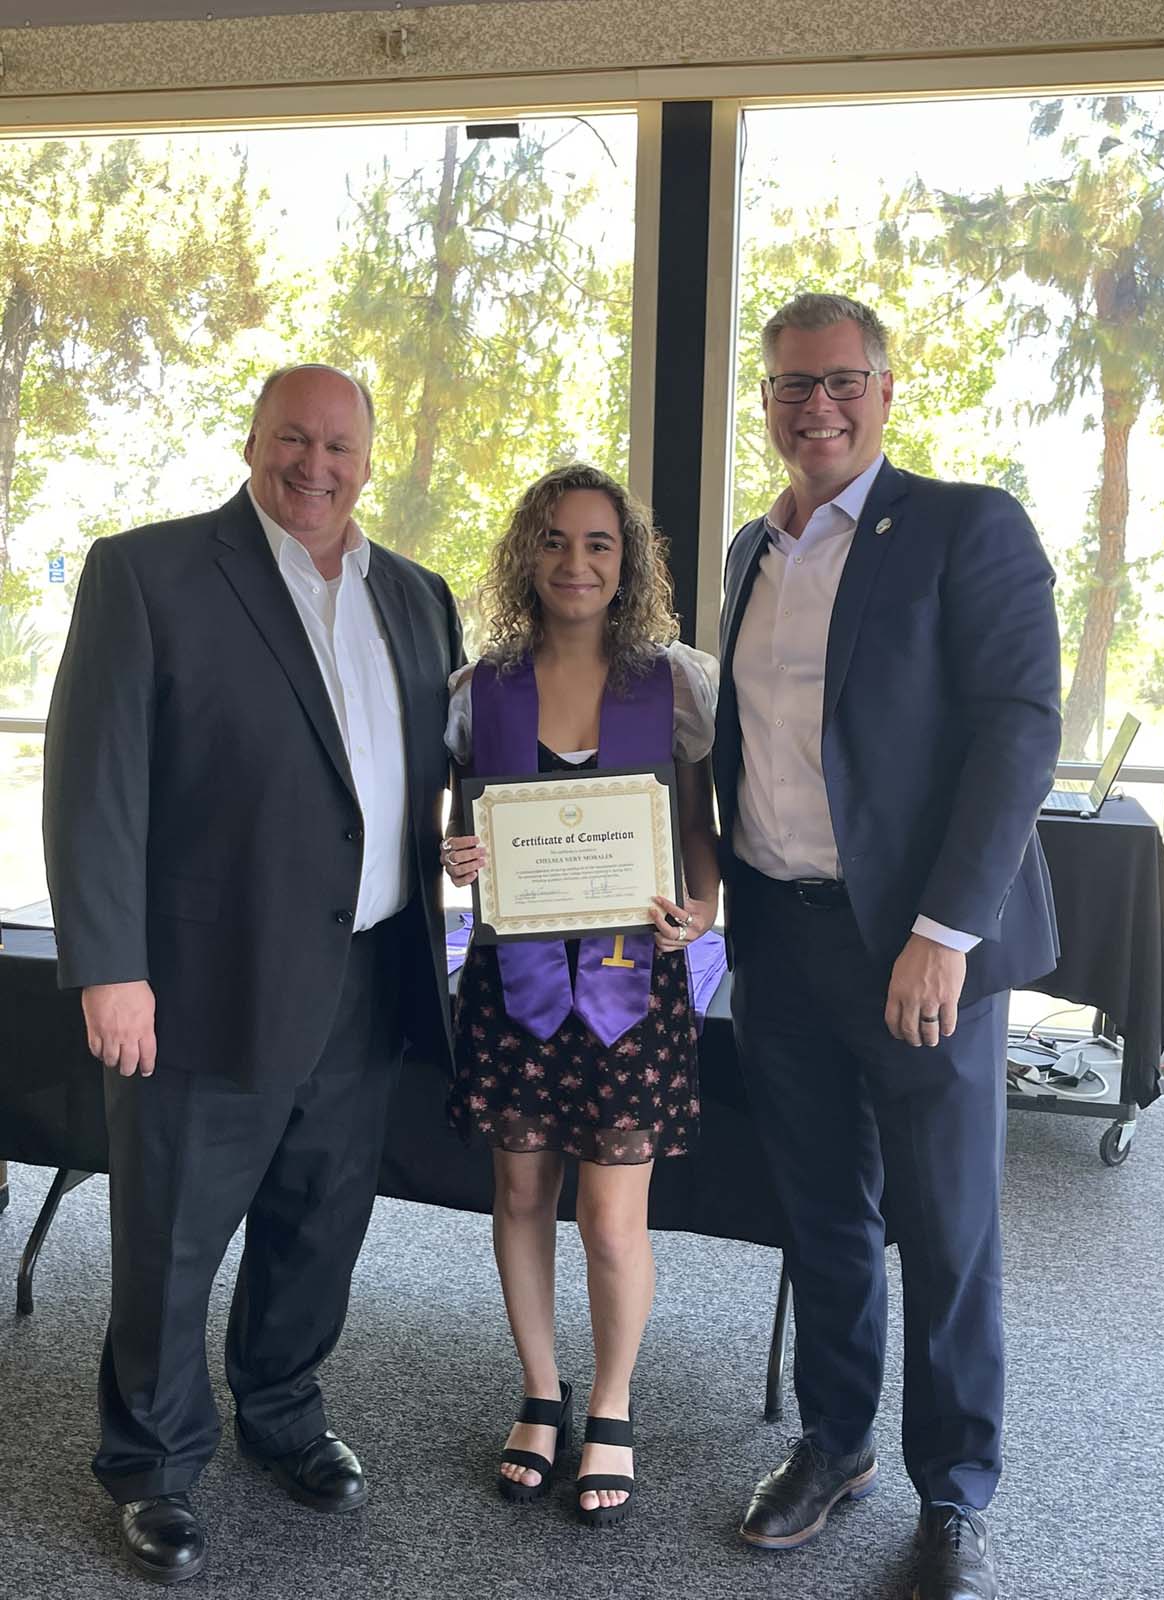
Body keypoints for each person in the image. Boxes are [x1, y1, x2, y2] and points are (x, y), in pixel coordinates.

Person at [42, 364, 462, 1585]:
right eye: (292, 438)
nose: (315, 464)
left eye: (339, 444)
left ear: (370, 457)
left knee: (320, 1220)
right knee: (171, 1232)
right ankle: (156, 1463)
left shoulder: (420, 598)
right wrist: (108, 967)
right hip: (196, 980)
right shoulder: (151, 572)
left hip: (371, 973)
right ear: (252, 440)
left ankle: (281, 1411)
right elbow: (94, 785)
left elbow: (405, 778)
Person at [715, 294, 1061, 1600]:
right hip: (783, 945)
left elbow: (1021, 724)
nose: (817, 407)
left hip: (920, 959)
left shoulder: (967, 526)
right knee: (823, 1218)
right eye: (791, 386)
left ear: (887, 387)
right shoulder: (754, 549)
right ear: (768, 399)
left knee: (948, 1229)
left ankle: (956, 1492)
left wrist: (941, 933)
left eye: (840, 380)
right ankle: (836, 1442)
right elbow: (744, 746)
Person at [441, 462, 719, 1528]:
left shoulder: (676, 683)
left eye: (599, 543)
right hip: (512, 986)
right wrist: (458, 854)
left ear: (628, 559)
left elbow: (695, 820)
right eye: (555, 541)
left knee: (609, 1215)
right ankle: (541, 1390)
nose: (576, 562)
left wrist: (702, 902)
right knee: (520, 1195)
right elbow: (459, 822)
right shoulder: (478, 690)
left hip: (629, 988)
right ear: (527, 554)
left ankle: (612, 1400)